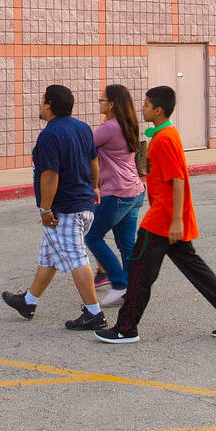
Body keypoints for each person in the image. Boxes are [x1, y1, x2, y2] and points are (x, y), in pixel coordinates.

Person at [95, 85, 216, 344]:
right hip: (166, 218)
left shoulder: (165, 138)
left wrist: (176, 220)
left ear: (158, 110)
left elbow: (177, 179)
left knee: (140, 273)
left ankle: (125, 329)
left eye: (145, 104)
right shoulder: (163, 135)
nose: (141, 108)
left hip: (162, 220)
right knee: (195, 269)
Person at [2, 84, 107, 331]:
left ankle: (94, 313)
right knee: (49, 256)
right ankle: (28, 302)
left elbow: (50, 175)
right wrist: (94, 187)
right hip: (83, 204)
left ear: (49, 104)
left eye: (42, 101)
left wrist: (45, 209)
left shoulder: (49, 135)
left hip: (65, 210)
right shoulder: (82, 128)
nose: (40, 105)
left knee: (76, 259)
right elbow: (94, 161)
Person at [85, 84, 146, 307]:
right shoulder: (129, 124)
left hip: (117, 193)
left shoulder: (108, 128)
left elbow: (85, 149)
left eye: (102, 100)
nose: (99, 103)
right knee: (126, 244)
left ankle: (119, 282)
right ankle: (132, 287)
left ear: (111, 104)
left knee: (91, 236)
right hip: (135, 192)